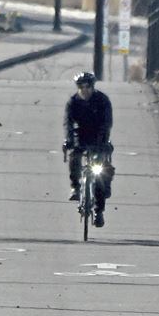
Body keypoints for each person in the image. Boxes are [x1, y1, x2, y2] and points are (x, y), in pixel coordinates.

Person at [64, 71, 113, 227]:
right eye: (81, 87)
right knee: (75, 156)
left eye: (88, 86)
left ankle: (99, 211)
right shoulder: (73, 102)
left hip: (98, 137)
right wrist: (70, 140)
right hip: (81, 135)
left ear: (92, 87)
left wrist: (103, 141)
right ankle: (75, 187)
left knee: (100, 173)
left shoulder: (103, 100)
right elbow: (68, 123)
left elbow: (107, 123)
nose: (84, 90)